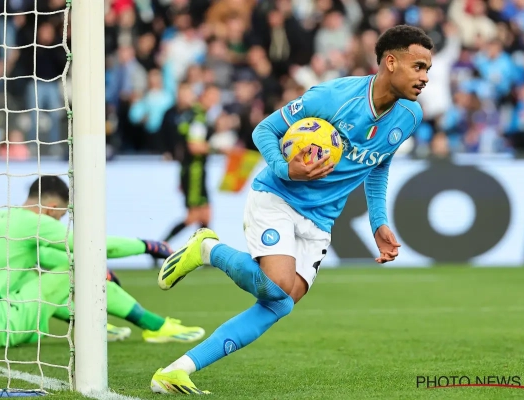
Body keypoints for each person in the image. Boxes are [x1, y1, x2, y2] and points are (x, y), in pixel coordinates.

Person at [150, 25, 433, 394]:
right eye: (418, 67)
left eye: (428, 69)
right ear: (391, 62)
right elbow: (264, 130)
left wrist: (378, 222)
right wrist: (287, 169)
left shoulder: (410, 115)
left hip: (321, 219)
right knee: (276, 285)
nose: (425, 78)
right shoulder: (334, 96)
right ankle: (207, 249)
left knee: (280, 303)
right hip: (279, 196)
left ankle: (176, 371)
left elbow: (379, 165)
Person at [0, 176, 205, 350]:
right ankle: (156, 327)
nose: (58, 222)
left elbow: (47, 258)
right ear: (51, 207)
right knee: (78, 269)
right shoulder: (35, 221)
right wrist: (147, 245)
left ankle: (90, 323)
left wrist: (96, 269)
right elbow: (93, 245)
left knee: (40, 274)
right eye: (59, 217)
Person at [162, 85, 222, 244]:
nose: (214, 101)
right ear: (202, 96)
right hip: (193, 172)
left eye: (216, 98)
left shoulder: (193, 115)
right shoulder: (198, 118)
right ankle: (161, 246)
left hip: (196, 171)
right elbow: (194, 146)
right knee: (193, 216)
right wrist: (220, 149)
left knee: (206, 214)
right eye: (211, 97)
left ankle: (205, 251)